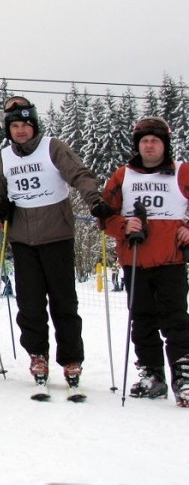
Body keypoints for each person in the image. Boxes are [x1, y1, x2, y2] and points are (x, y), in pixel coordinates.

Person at [0, 96, 104, 390]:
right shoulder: (5, 157)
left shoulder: (52, 147)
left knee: (64, 302)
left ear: (34, 126)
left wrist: (96, 202)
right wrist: (0, 210)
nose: (20, 131)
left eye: (25, 125)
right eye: (14, 126)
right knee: (29, 304)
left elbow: (79, 174)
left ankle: (70, 359)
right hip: (22, 239)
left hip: (56, 236)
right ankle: (37, 353)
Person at [100, 117, 189, 407]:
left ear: (165, 144)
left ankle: (183, 374)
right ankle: (152, 374)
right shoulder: (123, 175)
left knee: (176, 321)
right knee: (142, 320)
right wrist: (123, 226)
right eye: (144, 141)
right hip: (135, 260)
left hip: (170, 261)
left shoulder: (181, 172)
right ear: (138, 145)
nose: (149, 146)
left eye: (155, 141)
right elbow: (105, 213)